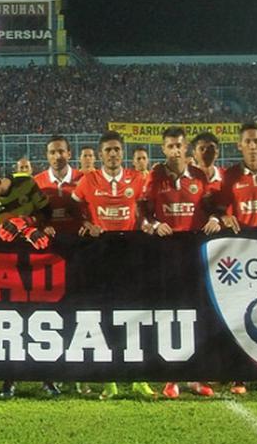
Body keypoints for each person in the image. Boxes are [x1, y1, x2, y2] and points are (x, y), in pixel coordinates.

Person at [141, 127, 221, 399]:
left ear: (186, 148)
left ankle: (197, 376)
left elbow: (214, 208)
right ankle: (170, 376)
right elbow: (142, 213)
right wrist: (154, 224)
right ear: (163, 149)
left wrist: (215, 219)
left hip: (196, 255)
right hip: (166, 256)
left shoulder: (199, 176)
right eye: (170, 146)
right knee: (170, 314)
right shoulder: (155, 177)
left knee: (199, 313)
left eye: (179, 145)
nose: (175, 150)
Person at [72, 131, 152, 400]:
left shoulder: (137, 179)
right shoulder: (88, 180)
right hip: (100, 255)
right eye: (108, 150)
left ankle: (139, 378)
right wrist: (86, 224)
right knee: (102, 317)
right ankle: (109, 380)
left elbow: (145, 211)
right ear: (101, 154)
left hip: (131, 254)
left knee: (134, 316)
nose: (113, 154)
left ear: (122, 152)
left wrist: (148, 225)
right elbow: (74, 209)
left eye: (117, 149)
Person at [215, 122, 257, 395]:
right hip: (241, 255)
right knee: (241, 314)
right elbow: (220, 210)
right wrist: (225, 216)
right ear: (240, 146)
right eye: (248, 141)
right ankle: (239, 375)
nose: (253, 146)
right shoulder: (231, 175)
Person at [0, 160, 55, 399]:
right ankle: (9, 382)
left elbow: (47, 213)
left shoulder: (27, 183)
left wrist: (28, 224)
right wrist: (16, 226)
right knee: (11, 322)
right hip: (7, 266)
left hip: (38, 264)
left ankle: (47, 379)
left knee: (43, 321)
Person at [35, 135, 83, 238]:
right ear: (47, 155)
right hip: (48, 242)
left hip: (79, 241)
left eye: (61, 151)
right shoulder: (36, 182)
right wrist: (42, 226)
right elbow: (32, 214)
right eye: (52, 152)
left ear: (69, 154)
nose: (57, 157)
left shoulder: (84, 179)